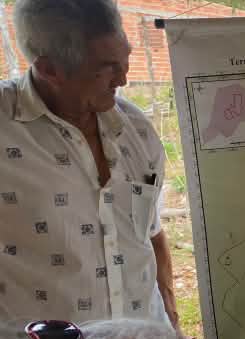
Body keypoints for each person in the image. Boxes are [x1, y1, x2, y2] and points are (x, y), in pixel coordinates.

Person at [0, 0, 184, 337]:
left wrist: (171, 318)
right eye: (107, 66)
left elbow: (151, 234)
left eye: (124, 58)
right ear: (50, 70)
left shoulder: (135, 127)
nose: (125, 77)